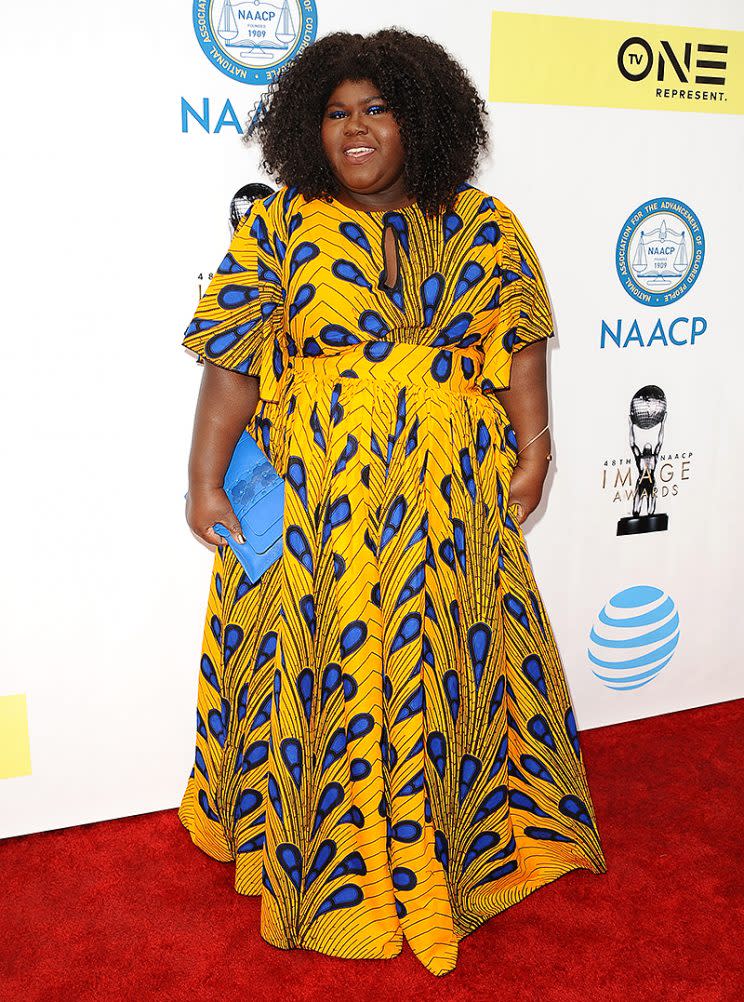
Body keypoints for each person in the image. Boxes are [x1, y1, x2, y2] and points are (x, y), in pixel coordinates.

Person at [178, 28, 607, 977]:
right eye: (335, 113)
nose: (356, 129)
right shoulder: (282, 225)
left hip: (449, 498)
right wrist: (206, 476)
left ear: (422, 119)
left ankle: (450, 846)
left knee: (449, 653)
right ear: (307, 128)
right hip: (322, 499)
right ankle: (330, 864)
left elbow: (522, 349)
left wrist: (534, 456)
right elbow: (232, 364)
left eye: (377, 109)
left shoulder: (486, 226)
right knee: (326, 658)